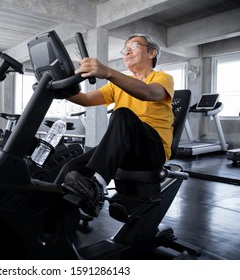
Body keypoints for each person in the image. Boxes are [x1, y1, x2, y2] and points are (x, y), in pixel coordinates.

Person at [63, 33, 174, 217]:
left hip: (152, 150)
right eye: (124, 49)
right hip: (126, 148)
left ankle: (97, 187)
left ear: (152, 53)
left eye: (134, 46)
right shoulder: (117, 85)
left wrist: (108, 72)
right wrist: (56, 86)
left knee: (122, 114)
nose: (127, 51)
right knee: (72, 167)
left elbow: (147, 93)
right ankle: (55, 217)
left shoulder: (162, 78)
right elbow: (84, 99)